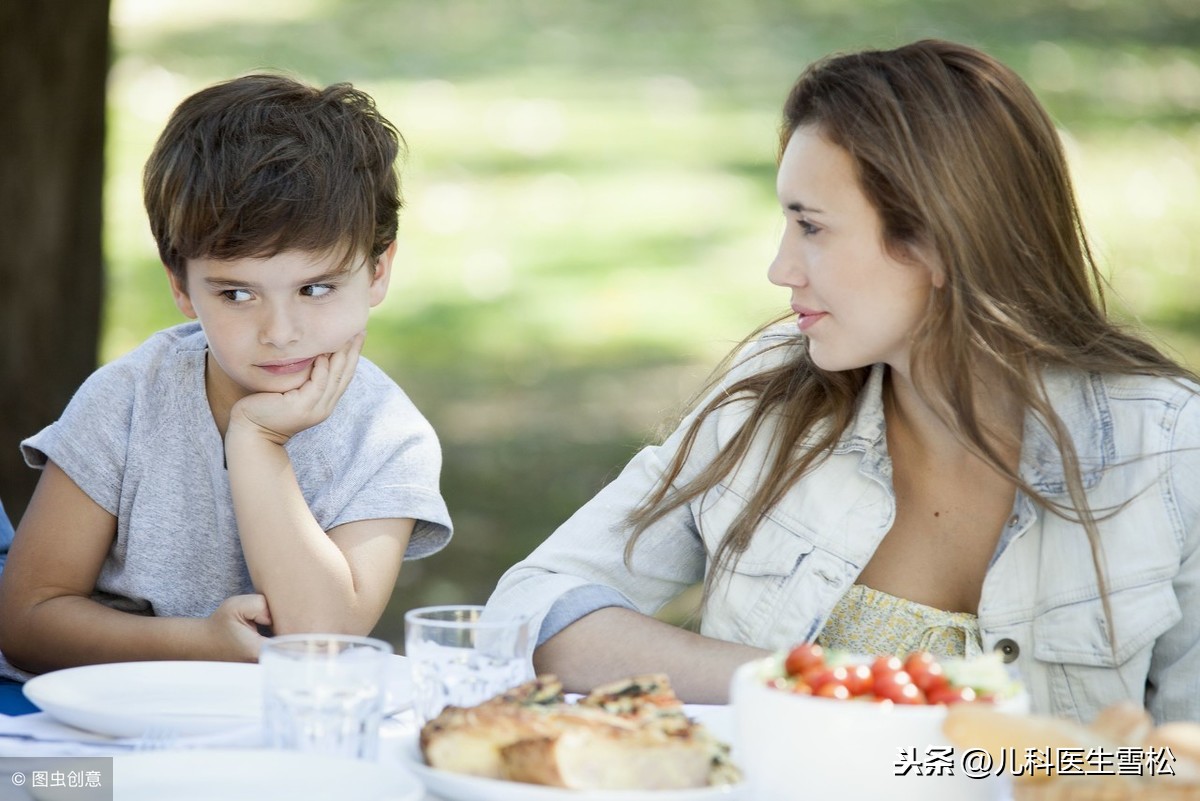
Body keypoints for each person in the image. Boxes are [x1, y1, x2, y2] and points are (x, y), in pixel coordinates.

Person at [485, 39, 1200, 724]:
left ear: (939, 243)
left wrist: (1026, 770)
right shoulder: (767, 397)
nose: (780, 267)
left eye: (813, 227)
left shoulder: (1168, 452)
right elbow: (534, 605)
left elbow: (1180, 765)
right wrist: (800, 687)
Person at [0, 75, 452, 684]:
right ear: (181, 286)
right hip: (104, 725)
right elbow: (27, 620)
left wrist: (258, 444)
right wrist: (198, 643)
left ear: (377, 271)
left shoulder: (386, 437)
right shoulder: (129, 400)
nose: (281, 331)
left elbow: (321, 638)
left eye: (315, 288)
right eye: (237, 293)